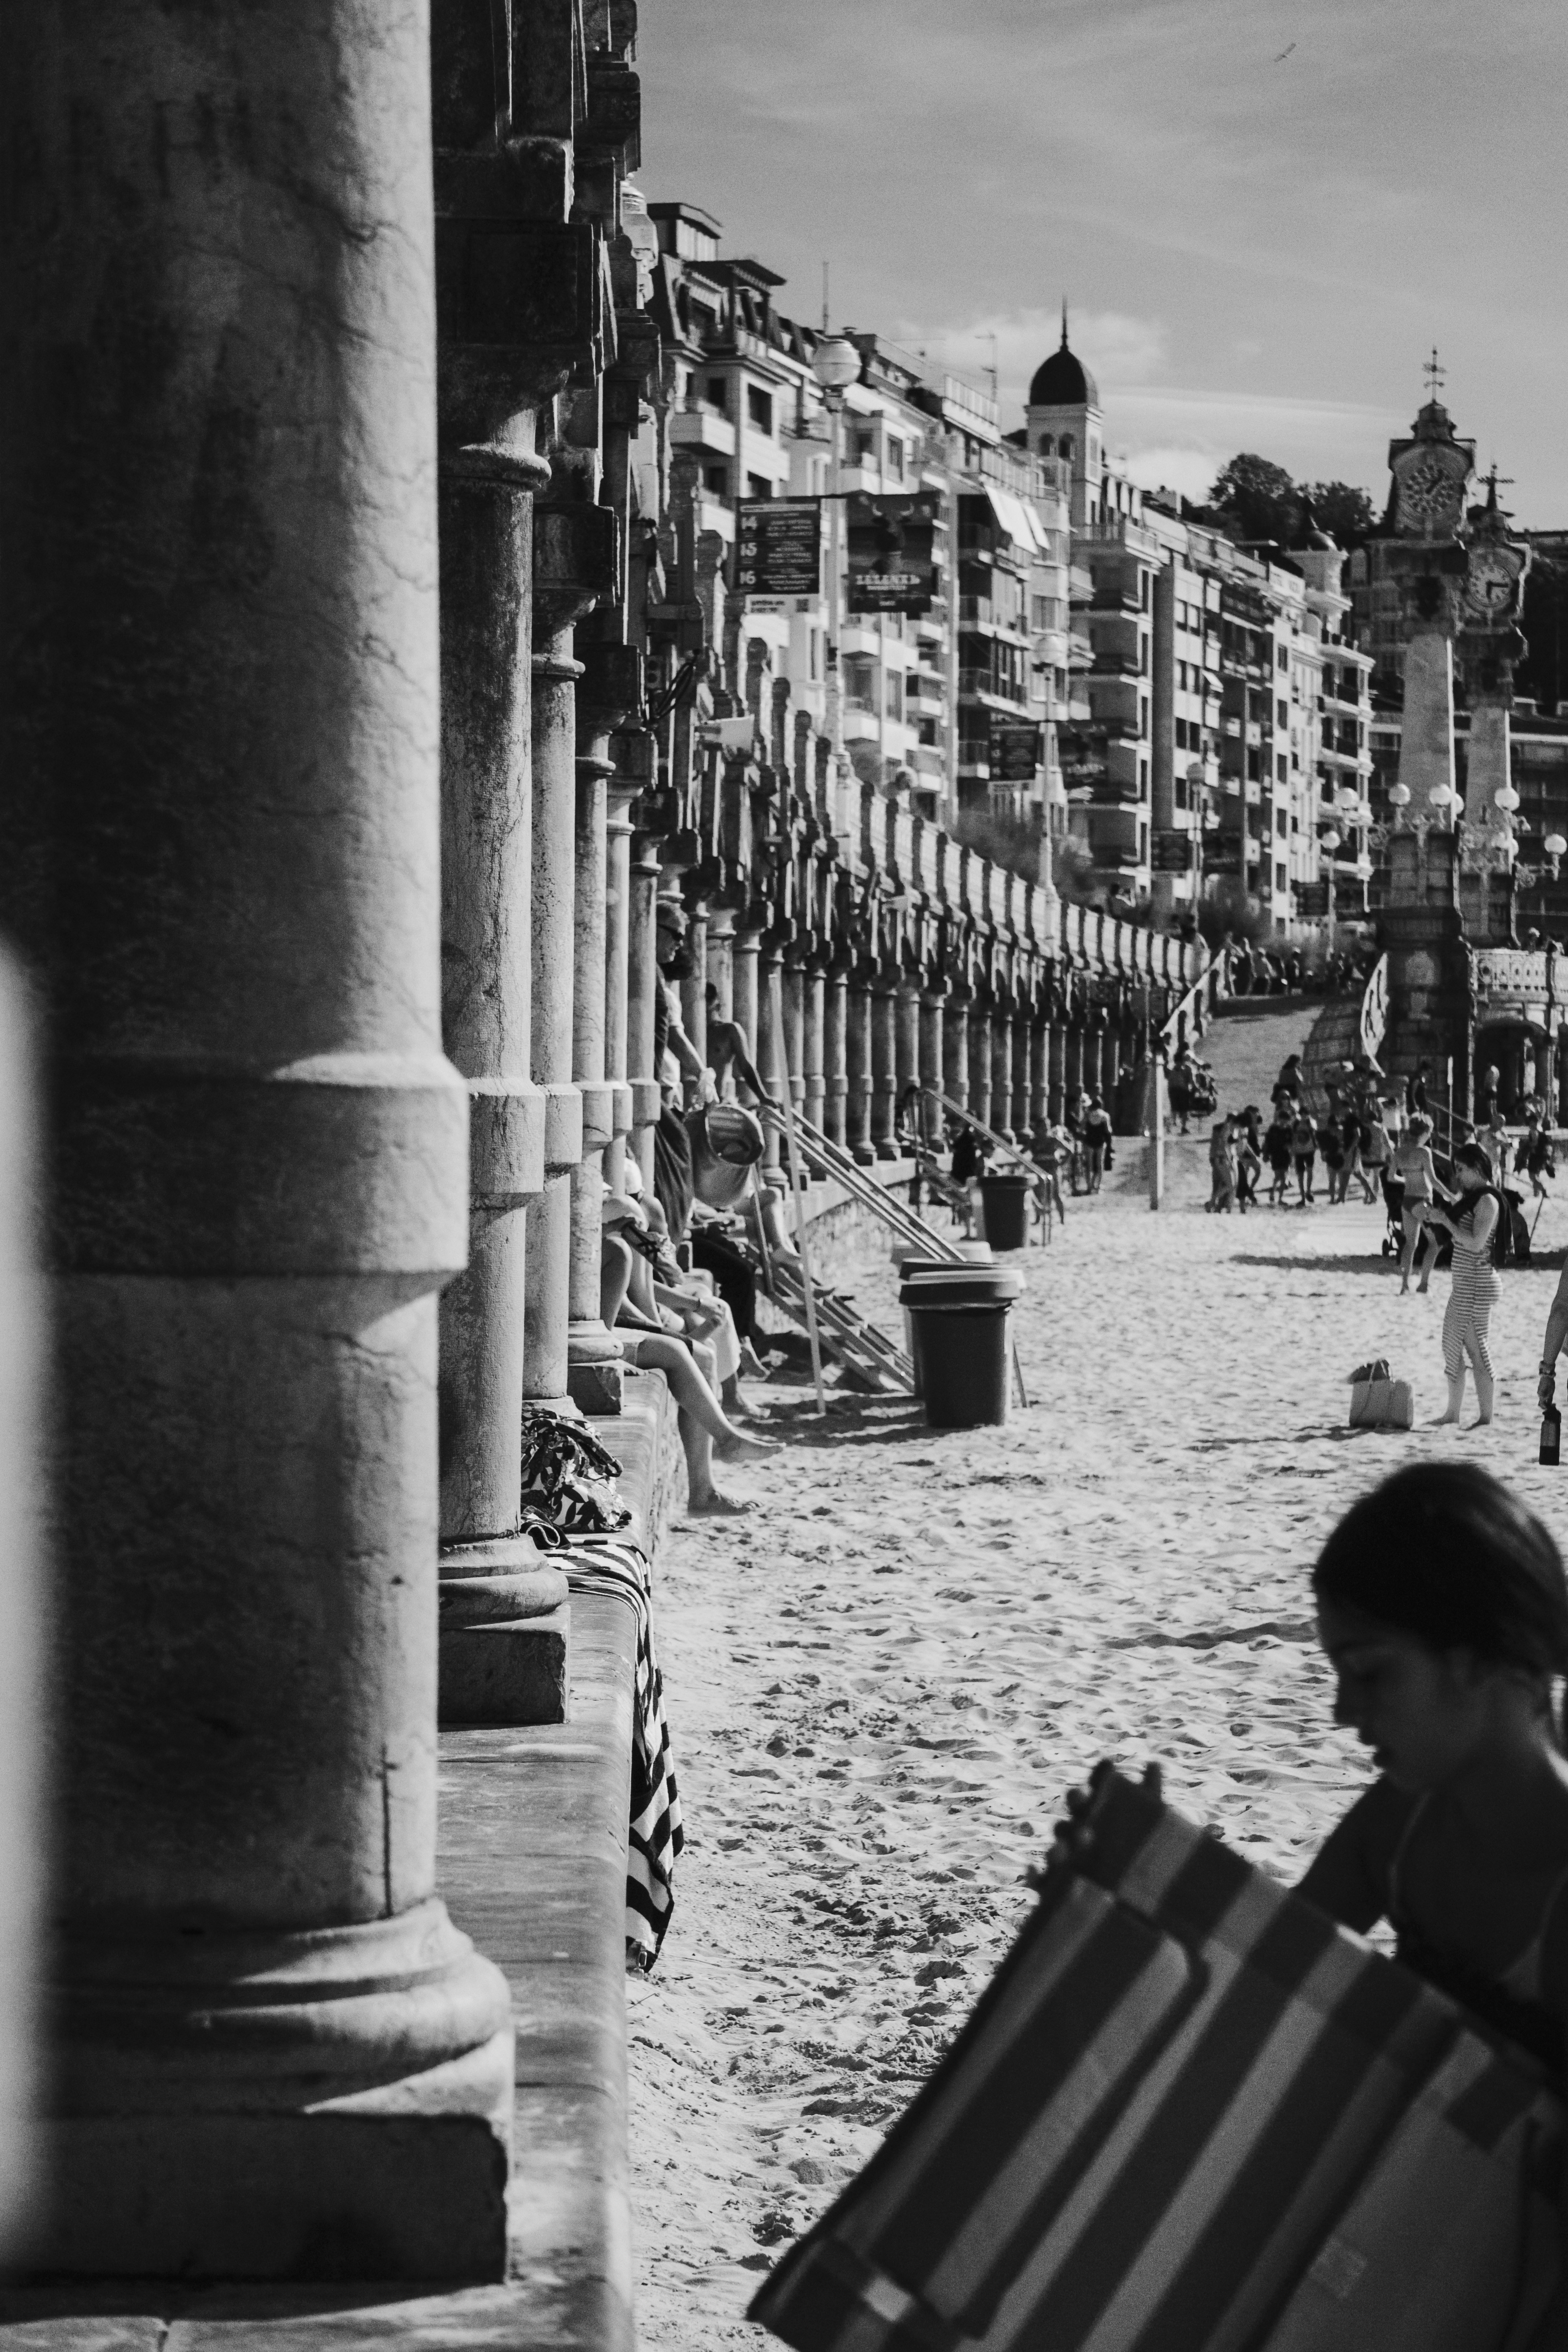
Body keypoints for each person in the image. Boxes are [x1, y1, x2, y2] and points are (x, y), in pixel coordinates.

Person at [1298, 1465, 1568, 2098]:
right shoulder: (1398, 1827)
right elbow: (1263, 1969)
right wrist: (1127, 1877)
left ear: (1475, 1658)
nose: (1342, 1710)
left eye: (1368, 1672)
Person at [1416, 1142, 1501, 1425]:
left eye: (1462, 1169)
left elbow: (1477, 1244)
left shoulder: (1487, 1201)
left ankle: (1486, 1416)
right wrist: (1434, 1217)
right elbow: (1455, 1227)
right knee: (1451, 1346)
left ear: (1477, 1168)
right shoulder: (1471, 1199)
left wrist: (1446, 1223)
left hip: (1477, 1284)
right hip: (1463, 1283)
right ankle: (1453, 1413)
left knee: (1477, 1349)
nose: (1458, 1176)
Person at [1392, 1114, 1443, 1294]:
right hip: (1422, 1202)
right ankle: (1423, 1284)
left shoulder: (1400, 1152)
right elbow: (1434, 1181)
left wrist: (1406, 1181)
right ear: (1425, 1132)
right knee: (1436, 1242)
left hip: (1407, 1201)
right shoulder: (1424, 1152)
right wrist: (1451, 1195)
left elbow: (1391, 1177)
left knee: (1410, 1244)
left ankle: (1405, 1285)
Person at [704, 982, 774, 1110]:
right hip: (691, 1102)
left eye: (709, 1000)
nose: (706, 1006)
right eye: (705, 999)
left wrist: (763, 1097)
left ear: (717, 1005)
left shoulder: (730, 1031)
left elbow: (746, 1067)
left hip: (716, 1102)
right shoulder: (689, 1028)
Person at [1080, 1094, 1113, 1193]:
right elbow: (1108, 1131)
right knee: (1100, 1164)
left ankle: (1089, 1187)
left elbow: (1082, 1128)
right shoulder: (1105, 1116)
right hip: (1100, 1141)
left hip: (1089, 1141)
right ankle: (1098, 1186)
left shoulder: (1087, 1115)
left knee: (1089, 1165)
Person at [1206, 1114, 1236, 1215]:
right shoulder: (1226, 1129)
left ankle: (1217, 1206)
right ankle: (1214, 1205)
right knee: (1224, 1184)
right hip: (1221, 1159)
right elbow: (1222, 1146)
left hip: (1219, 1158)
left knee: (1221, 1184)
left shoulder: (1223, 1128)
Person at [1264, 1106, 1293, 1205]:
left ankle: (1280, 1198)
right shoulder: (1273, 1129)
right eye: (1283, 1119)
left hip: (1285, 1155)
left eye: (1286, 1120)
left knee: (1284, 1177)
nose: (1284, 1122)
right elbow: (1267, 1142)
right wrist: (1266, 1154)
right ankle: (1272, 1193)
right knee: (1278, 1176)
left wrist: (1289, 1147)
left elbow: (1292, 1142)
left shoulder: (1289, 1130)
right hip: (1275, 1154)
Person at [1235, 1107, 1262, 1213]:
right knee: (1243, 1179)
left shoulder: (1252, 1127)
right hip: (1242, 1157)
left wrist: (1255, 1153)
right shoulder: (1244, 1128)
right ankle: (1244, 1201)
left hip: (1249, 1154)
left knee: (1258, 1171)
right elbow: (1242, 1143)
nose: (1254, 1116)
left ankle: (1250, 1191)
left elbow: (1248, 1143)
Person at [1289, 1102, 1317, 1207]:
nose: (1304, 1116)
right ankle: (1303, 1197)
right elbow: (1294, 1137)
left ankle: (1308, 1191)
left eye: (1306, 1114)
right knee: (1300, 1175)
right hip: (1299, 1152)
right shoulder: (1296, 1123)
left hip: (1309, 1151)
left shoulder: (1311, 1122)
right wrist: (1293, 1150)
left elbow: (1314, 1133)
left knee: (1310, 1172)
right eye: (1302, 1114)